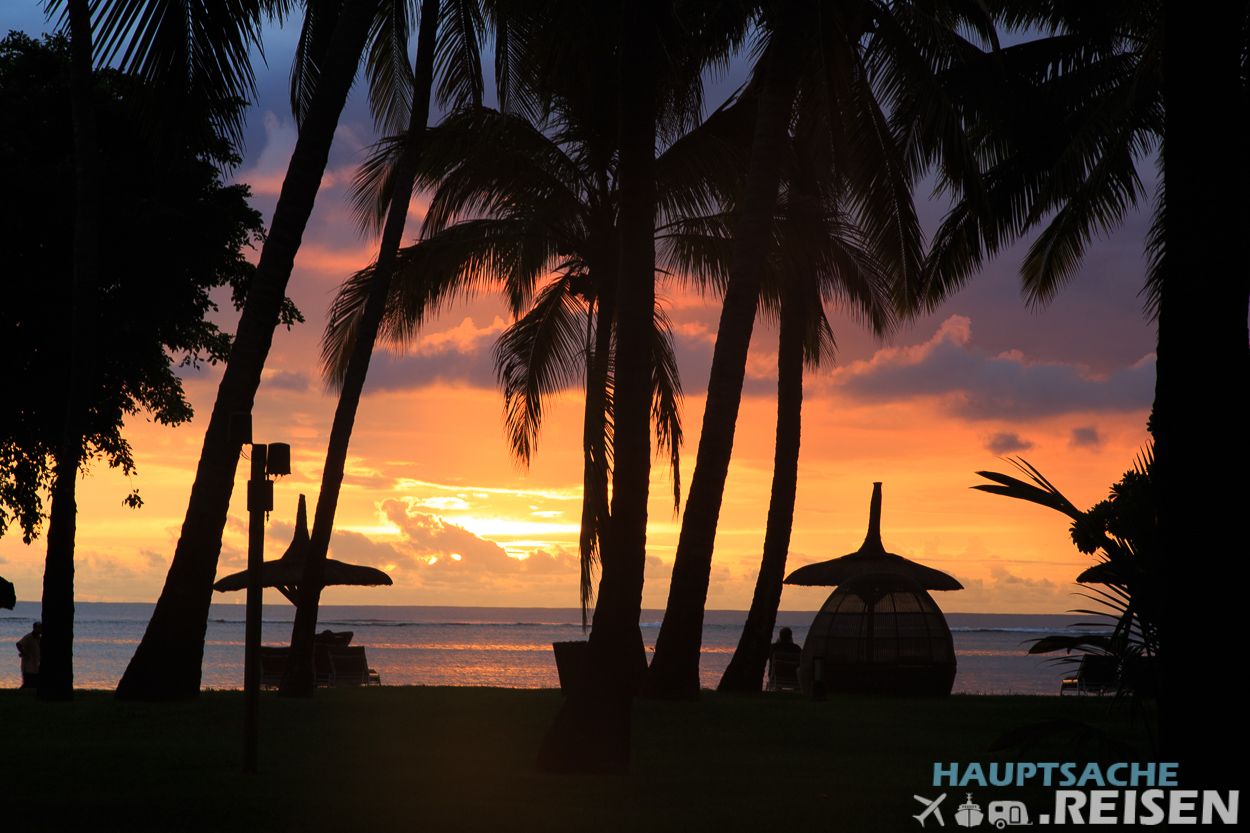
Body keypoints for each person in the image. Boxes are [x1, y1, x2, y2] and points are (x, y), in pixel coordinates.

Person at [16, 621, 41, 689]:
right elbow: (18, 644)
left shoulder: (39, 638)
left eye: (41, 628)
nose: (40, 629)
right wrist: (24, 653)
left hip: (35, 664)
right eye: (38, 628)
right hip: (27, 665)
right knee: (28, 683)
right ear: (34, 628)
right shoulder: (28, 637)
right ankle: (19, 694)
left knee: (34, 683)